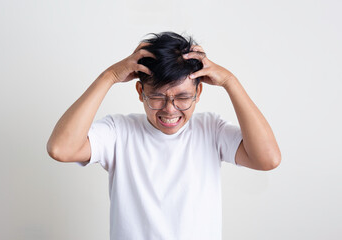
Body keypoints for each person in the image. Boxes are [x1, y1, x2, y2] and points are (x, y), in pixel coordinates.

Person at [47, 31, 281, 240]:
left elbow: (268, 159)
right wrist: (109, 76)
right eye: (157, 97)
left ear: (198, 91)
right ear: (140, 92)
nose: (170, 109)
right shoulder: (119, 132)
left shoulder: (211, 129)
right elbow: (60, 149)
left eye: (182, 97)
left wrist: (231, 82)